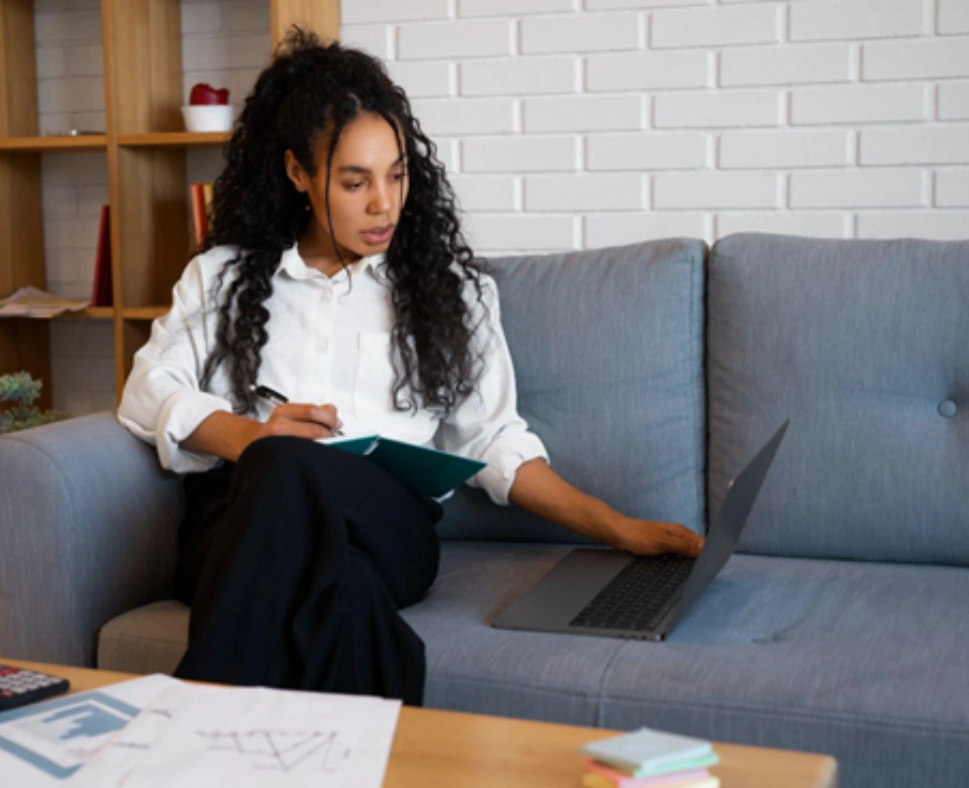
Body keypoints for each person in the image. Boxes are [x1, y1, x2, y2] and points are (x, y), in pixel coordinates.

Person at [117, 28, 704, 707]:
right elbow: (145, 390)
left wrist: (615, 526)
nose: (383, 204)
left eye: (397, 175)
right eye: (354, 181)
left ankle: (188, 720)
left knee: (294, 472)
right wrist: (251, 438)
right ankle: (378, 748)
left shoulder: (449, 289)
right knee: (299, 500)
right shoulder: (221, 278)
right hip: (241, 518)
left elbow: (493, 442)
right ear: (298, 174)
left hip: (385, 522)